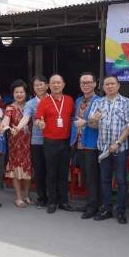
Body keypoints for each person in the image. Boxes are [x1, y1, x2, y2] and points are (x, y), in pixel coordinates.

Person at [89, 75, 129, 224]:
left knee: (121, 180)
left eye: (112, 84)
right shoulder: (98, 102)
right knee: (105, 179)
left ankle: (121, 211)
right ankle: (107, 208)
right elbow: (91, 124)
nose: (109, 86)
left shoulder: (126, 102)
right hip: (103, 148)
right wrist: (94, 119)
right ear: (102, 87)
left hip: (120, 148)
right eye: (106, 84)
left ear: (118, 85)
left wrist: (118, 143)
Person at [34, 75, 75, 214]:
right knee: (51, 173)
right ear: (49, 86)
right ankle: (52, 201)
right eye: (53, 83)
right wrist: (40, 123)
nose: (56, 85)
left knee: (63, 173)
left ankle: (63, 201)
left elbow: (73, 118)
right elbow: (37, 120)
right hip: (50, 142)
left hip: (65, 142)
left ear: (63, 84)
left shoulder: (69, 100)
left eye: (58, 82)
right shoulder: (44, 102)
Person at [70, 72, 102, 219]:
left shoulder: (100, 101)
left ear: (95, 84)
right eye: (83, 82)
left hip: (92, 143)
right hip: (79, 143)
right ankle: (91, 202)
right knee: (86, 175)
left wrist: (86, 123)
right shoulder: (78, 101)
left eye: (89, 82)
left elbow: (99, 123)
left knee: (92, 176)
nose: (86, 85)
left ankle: (93, 206)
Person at [15, 76, 49, 208]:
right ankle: (42, 198)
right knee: (39, 171)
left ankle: (53, 197)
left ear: (47, 86)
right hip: (37, 141)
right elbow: (26, 117)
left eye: (41, 84)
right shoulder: (30, 104)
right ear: (33, 88)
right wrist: (18, 127)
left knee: (51, 171)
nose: (39, 87)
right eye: (36, 85)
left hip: (53, 140)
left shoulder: (54, 100)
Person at [3, 80, 33, 208]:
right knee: (16, 170)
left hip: (29, 143)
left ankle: (26, 195)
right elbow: (6, 120)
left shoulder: (30, 106)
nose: (19, 94)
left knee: (28, 170)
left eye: (21, 92)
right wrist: (4, 125)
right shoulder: (10, 108)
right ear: (13, 94)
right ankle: (18, 197)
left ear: (26, 93)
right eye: (16, 92)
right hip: (15, 143)